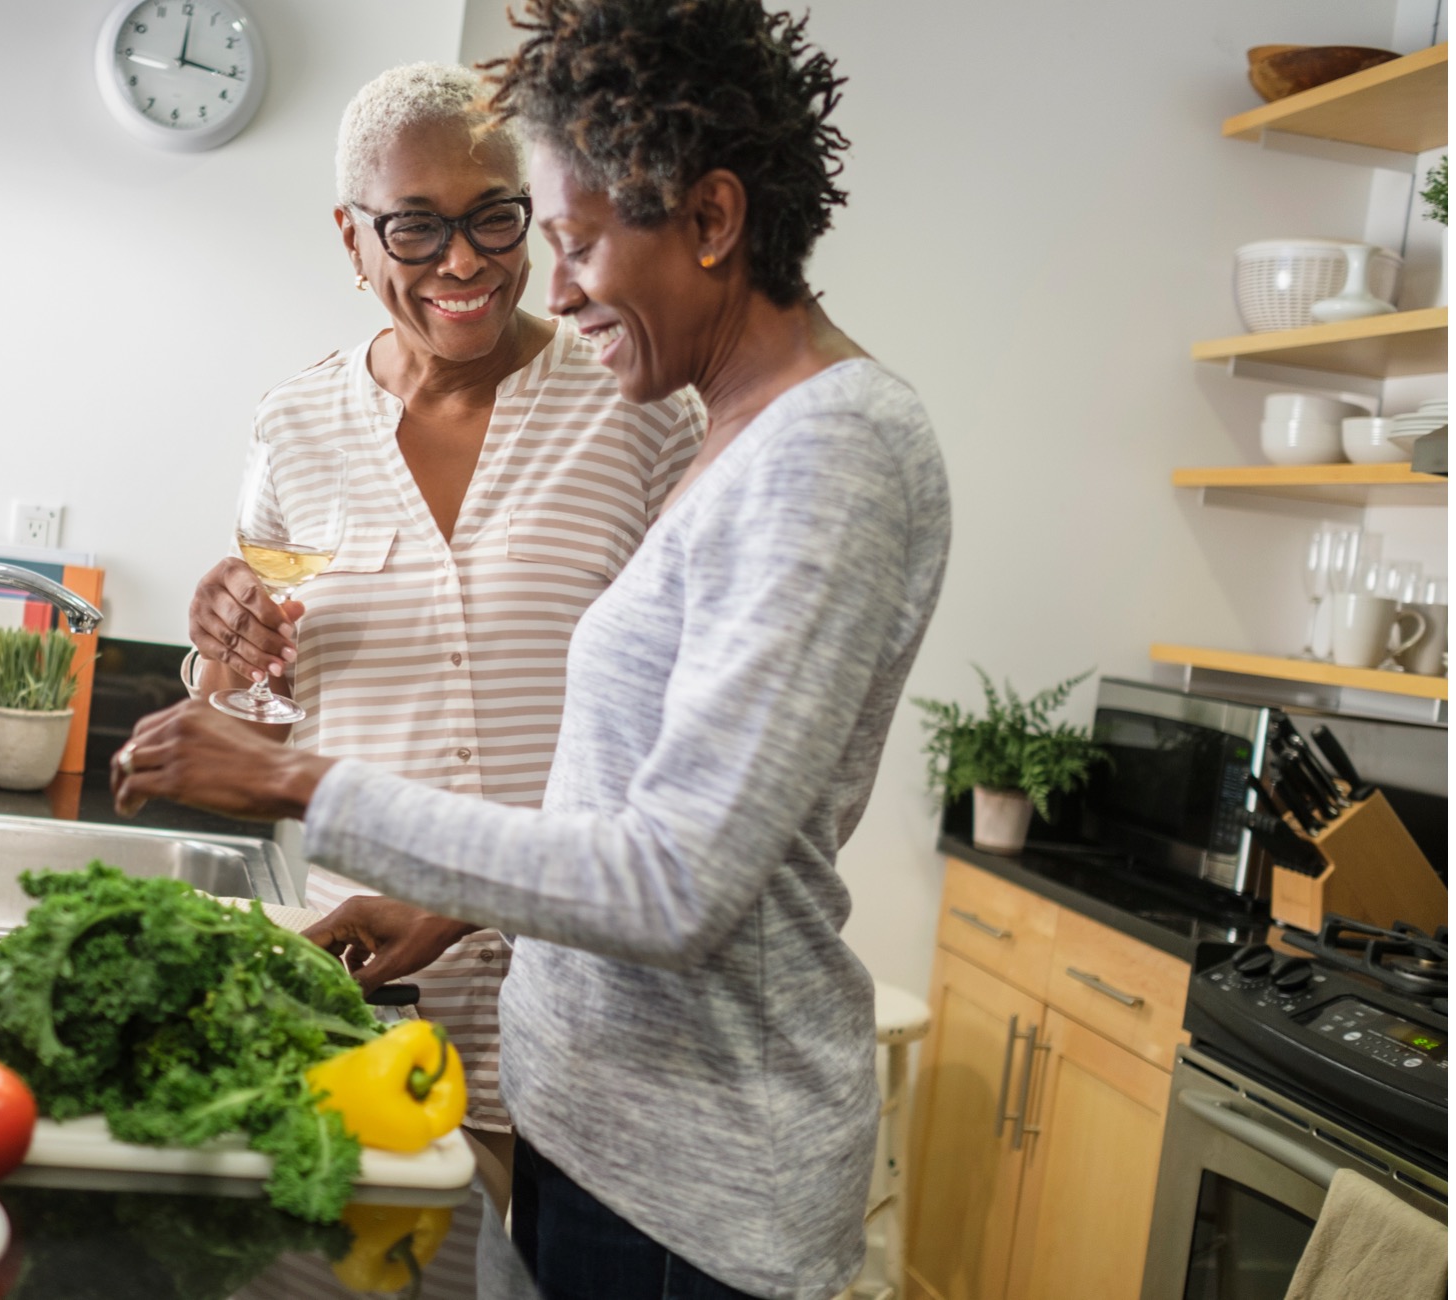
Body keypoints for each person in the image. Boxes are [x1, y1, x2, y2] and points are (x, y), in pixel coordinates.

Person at [117, 3, 950, 1296]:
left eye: (561, 239)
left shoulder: (825, 450)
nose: (546, 288)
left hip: (695, 1175)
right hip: (597, 1127)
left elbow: (676, 882)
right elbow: (633, 781)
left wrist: (298, 785)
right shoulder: (738, 427)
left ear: (713, 221)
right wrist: (442, 902)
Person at [182, 61, 703, 1187]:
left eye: (492, 219)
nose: (461, 262)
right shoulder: (295, 425)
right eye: (414, 229)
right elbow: (260, 719)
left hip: (582, 1013)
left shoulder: (640, 405)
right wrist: (225, 655)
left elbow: (687, 727)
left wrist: (475, 890)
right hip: (362, 1003)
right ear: (350, 236)